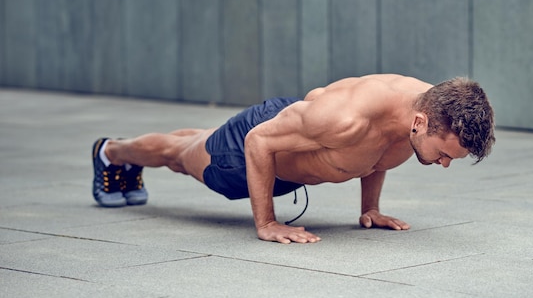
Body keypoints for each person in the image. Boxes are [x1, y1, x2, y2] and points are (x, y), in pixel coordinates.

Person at [91, 74, 495, 244]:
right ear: (421, 123)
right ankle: (111, 152)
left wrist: (370, 209)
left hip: (300, 140)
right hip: (258, 145)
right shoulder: (345, 118)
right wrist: (266, 223)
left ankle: (130, 155)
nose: (444, 164)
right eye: (444, 155)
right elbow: (258, 141)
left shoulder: (424, 107)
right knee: (178, 155)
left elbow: (378, 154)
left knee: (193, 141)